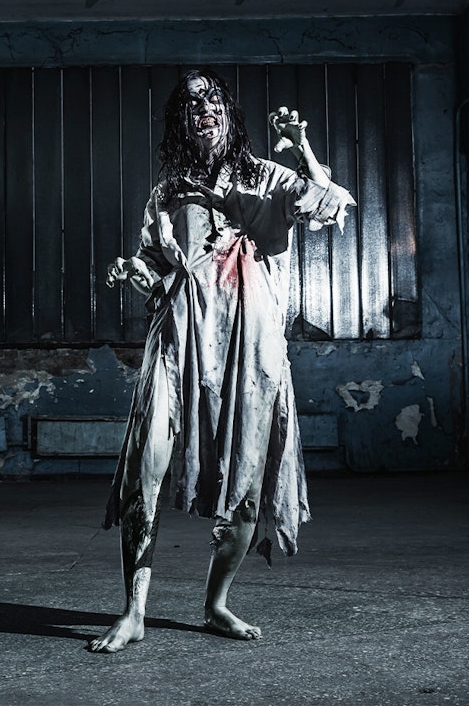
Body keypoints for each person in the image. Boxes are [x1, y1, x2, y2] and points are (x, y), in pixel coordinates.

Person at [87, 69, 355, 654]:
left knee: (248, 490)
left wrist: (302, 147)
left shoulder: (265, 175)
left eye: (212, 100)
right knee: (146, 467)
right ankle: (134, 611)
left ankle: (216, 604)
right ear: (180, 123)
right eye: (190, 104)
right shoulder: (168, 191)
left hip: (249, 343)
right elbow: (159, 269)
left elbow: (329, 203)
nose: (202, 108)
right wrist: (138, 274)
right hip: (178, 336)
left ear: (229, 114)